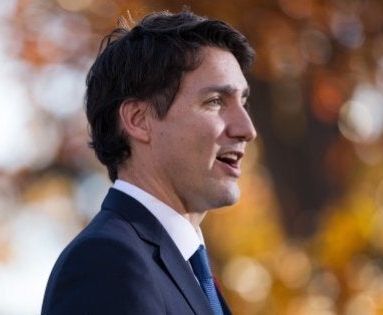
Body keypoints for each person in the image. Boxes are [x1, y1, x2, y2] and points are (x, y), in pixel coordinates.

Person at [41, 9, 257, 315]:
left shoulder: (191, 274)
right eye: (215, 102)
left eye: (243, 102)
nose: (247, 129)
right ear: (138, 120)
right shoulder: (107, 262)